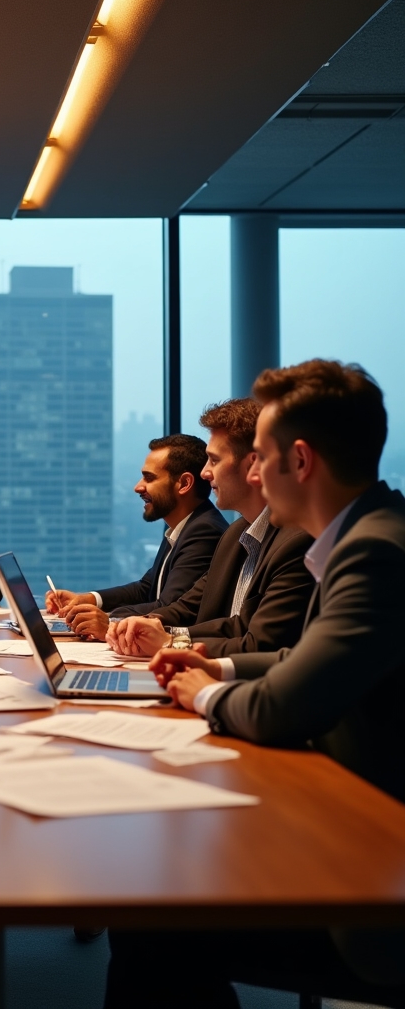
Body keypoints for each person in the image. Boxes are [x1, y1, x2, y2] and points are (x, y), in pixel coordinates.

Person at [104, 360, 405, 1007]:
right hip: (351, 825)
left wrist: (198, 693)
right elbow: (299, 656)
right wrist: (217, 667)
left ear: (298, 461)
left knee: (150, 912)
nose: (248, 475)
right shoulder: (367, 535)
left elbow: (279, 708)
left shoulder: (376, 554)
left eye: (260, 456)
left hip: (375, 884)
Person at [107, 398, 313, 658]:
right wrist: (134, 626)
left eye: (214, 461)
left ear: (252, 465)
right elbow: (187, 608)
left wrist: (170, 642)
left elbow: (259, 641)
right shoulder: (235, 535)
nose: (205, 473)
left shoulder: (296, 542)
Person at [46, 434, 227, 638]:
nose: (138, 487)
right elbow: (146, 588)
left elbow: (168, 608)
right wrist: (88, 600)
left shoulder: (204, 531)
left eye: (149, 478)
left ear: (184, 483)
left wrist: (109, 622)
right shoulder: (185, 526)